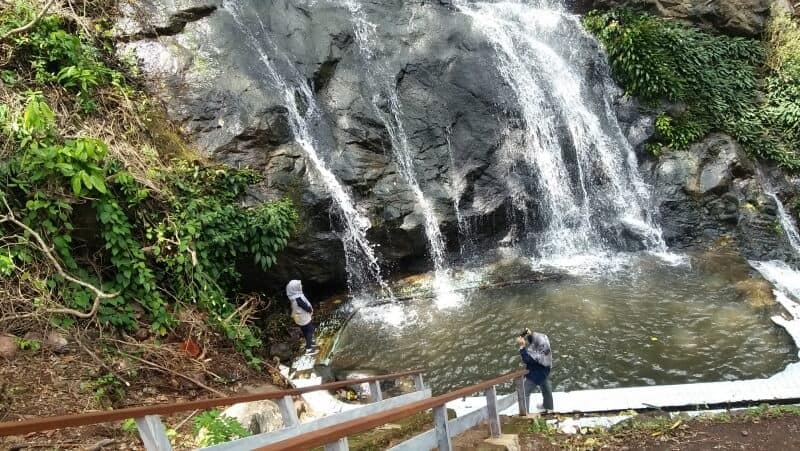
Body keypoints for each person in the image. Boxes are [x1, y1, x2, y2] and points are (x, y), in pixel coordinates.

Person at [516, 327, 553, 413]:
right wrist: (529, 334)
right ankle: (548, 407)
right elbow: (534, 340)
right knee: (546, 389)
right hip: (545, 371)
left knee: (524, 392)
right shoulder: (544, 342)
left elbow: (526, 359)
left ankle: (525, 413)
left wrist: (522, 346)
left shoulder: (535, 356)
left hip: (535, 374)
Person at [286, 280, 318, 356]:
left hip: (298, 317)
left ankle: (310, 342)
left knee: (305, 330)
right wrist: (310, 310)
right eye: (299, 286)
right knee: (310, 330)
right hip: (303, 317)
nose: (301, 286)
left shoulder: (293, 296)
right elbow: (304, 306)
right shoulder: (298, 299)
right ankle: (309, 349)